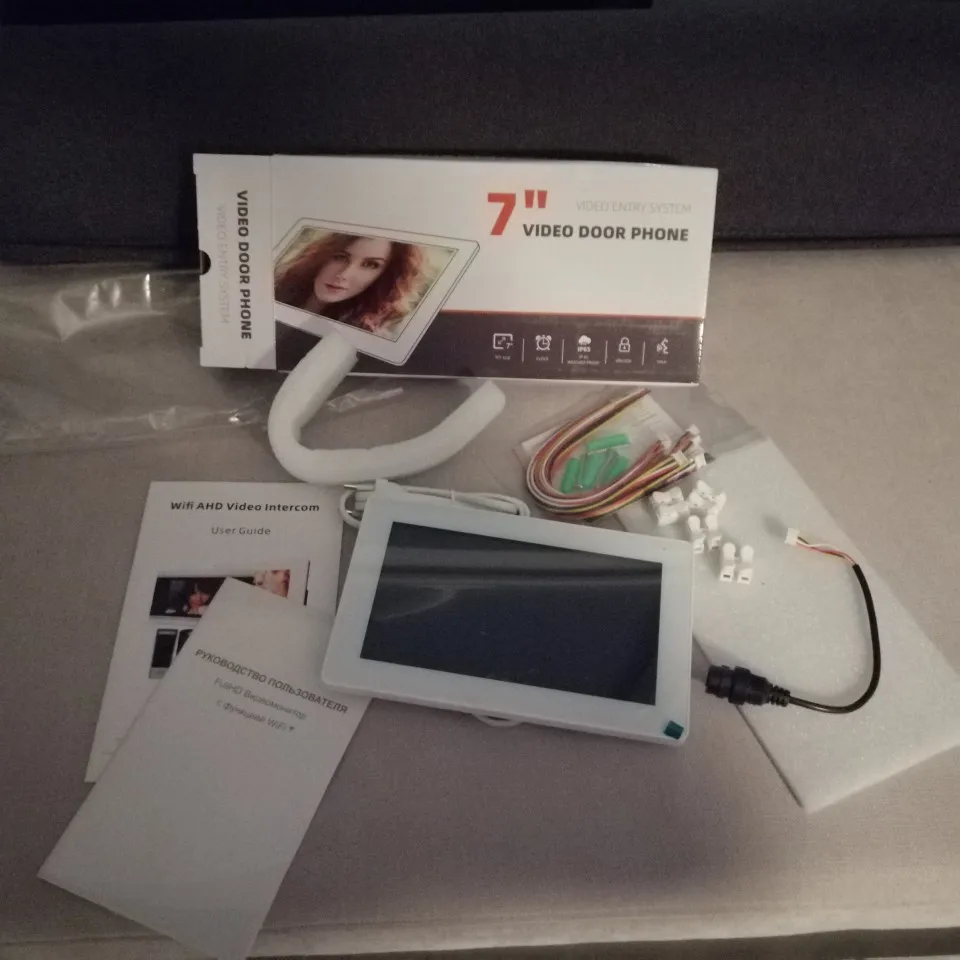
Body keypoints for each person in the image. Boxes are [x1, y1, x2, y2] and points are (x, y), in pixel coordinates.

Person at [274, 232, 425, 337]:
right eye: (340, 257)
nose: (344, 274)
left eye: (371, 264)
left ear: (383, 275)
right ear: (321, 255)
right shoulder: (274, 288)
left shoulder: (360, 337)